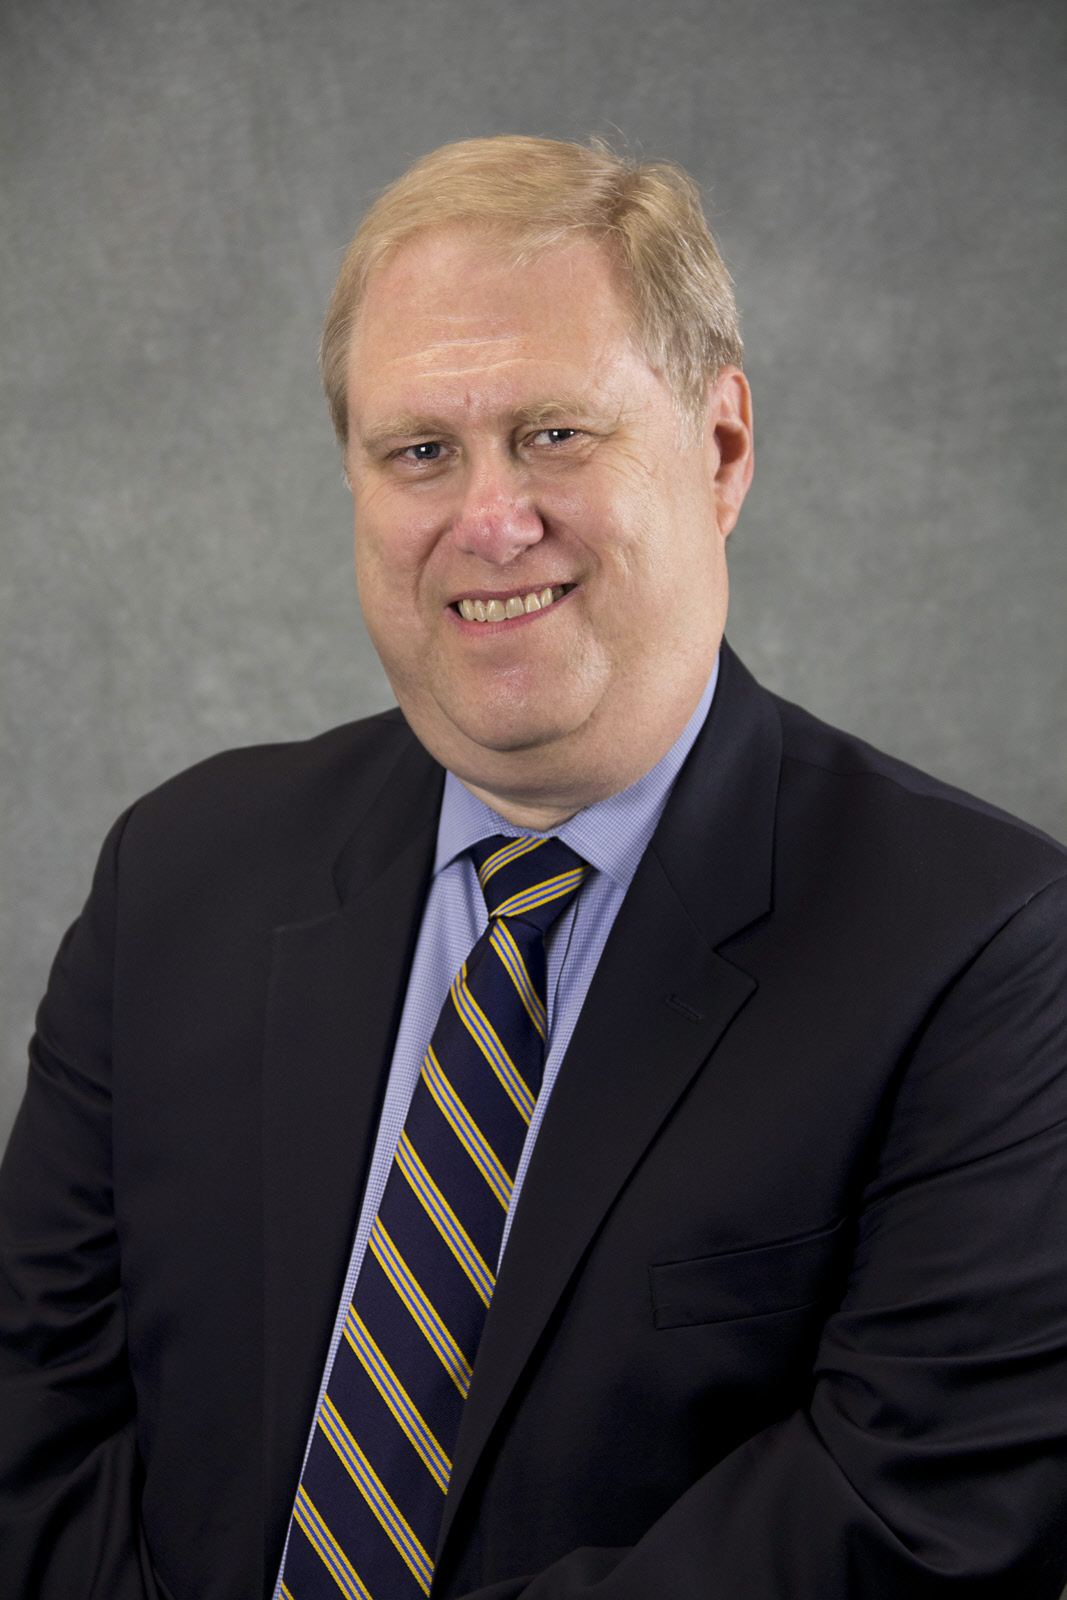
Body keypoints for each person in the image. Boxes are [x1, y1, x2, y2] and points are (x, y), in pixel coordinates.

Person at [1, 135, 1066, 1600]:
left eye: (556, 433)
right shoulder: (178, 875)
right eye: (420, 453)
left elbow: (901, 1530)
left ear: (722, 449)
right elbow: (31, 1432)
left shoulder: (987, 949)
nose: (490, 522)